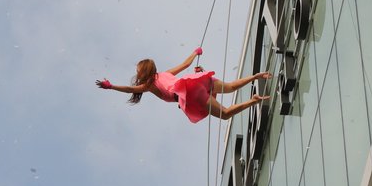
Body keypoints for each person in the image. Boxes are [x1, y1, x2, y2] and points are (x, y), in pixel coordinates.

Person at [96, 47, 271, 122]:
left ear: (144, 72)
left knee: (225, 114)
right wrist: (195, 52)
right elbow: (186, 64)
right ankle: (256, 76)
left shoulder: (149, 85)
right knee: (231, 86)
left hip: (191, 93)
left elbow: (129, 89)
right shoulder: (165, 73)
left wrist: (111, 86)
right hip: (196, 81)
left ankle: (254, 100)